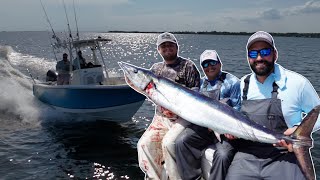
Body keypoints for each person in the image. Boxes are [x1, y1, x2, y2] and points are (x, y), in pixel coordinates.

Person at [225, 31, 320, 180]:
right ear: (248, 57)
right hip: (247, 154)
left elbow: (318, 114)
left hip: (284, 153)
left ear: (275, 54)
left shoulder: (298, 83)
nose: (259, 58)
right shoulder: (243, 83)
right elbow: (237, 114)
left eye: (265, 51)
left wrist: (297, 128)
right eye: (253, 53)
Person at [137, 32, 201, 180]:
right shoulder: (155, 69)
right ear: (159, 50)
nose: (167, 48)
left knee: (168, 143)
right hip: (161, 116)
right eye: (163, 46)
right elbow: (150, 93)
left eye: (170, 45)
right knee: (143, 145)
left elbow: (196, 96)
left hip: (183, 117)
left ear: (177, 47)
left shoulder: (188, 66)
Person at [175, 50, 241, 180]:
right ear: (202, 68)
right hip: (204, 127)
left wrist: (228, 129)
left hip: (226, 130)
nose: (209, 67)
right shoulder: (200, 83)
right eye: (205, 64)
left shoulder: (233, 82)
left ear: (220, 64)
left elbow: (238, 110)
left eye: (212, 62)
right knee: (181, 142)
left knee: (223, 155)